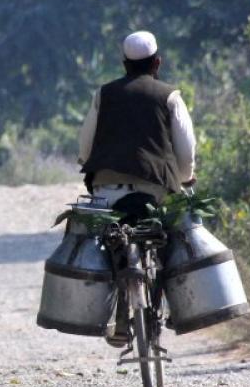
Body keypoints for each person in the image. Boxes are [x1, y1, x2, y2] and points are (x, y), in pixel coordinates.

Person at [77, 30, 196, 344]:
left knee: (107, 242)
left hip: (107, 192)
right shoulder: (169, 96)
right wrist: (184, 177)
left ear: (124, 64)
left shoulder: (103, 94)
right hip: (154, 192)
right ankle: (176, 305)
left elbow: (85, 146)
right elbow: (186, 149)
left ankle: (117, 312)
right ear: (157, 62)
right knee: (174, 238)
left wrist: (90, 166)